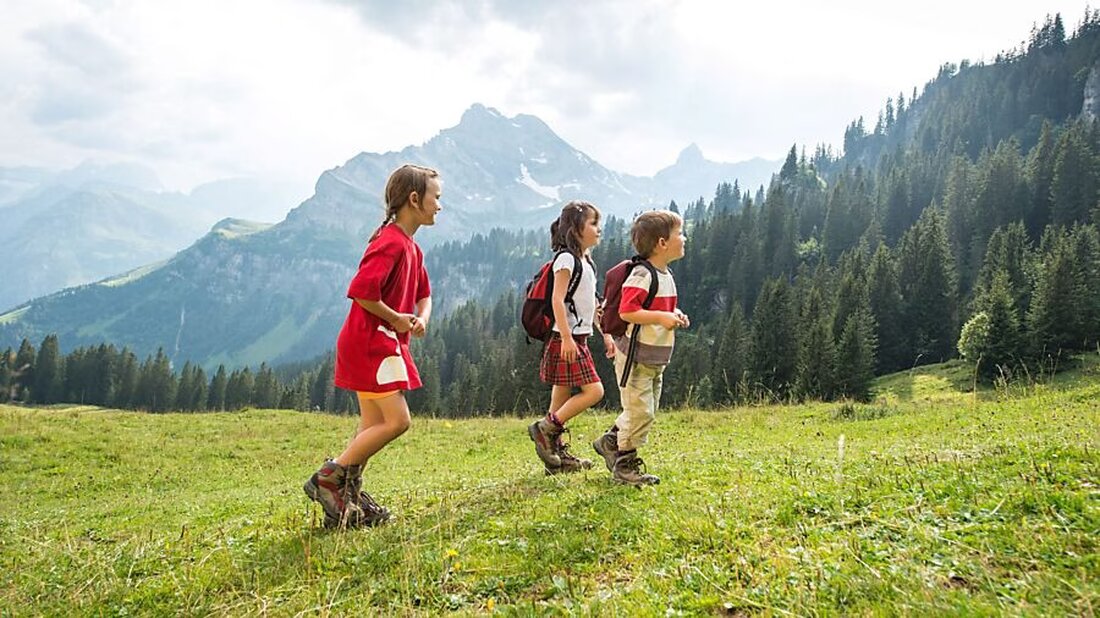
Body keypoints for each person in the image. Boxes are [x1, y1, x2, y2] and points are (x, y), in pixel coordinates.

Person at [303, 164, 442, 528]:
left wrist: (421, 317)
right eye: (436, 197)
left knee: (372, 424)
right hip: (371, 343)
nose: (439, 206)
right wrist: (397, 318)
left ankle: (346, 498)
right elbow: (362, 291)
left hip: (378, 342)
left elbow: (424, 293)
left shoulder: (410, 246)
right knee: (398, 421)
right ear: (415, 199)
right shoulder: (390, 242)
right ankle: (328, 478)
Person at [593, 210, 688, 486]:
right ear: (661, 243)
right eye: (679, 234)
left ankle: (611, 441)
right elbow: (627, 310)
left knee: (644, 408)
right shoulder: (642, 274)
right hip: (635, 357)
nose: (684, 239)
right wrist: (661, 317)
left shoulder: (664, 274)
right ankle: (624, 467)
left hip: (653, 357)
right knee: (640, 411)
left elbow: (657, 307)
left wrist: (675, 314)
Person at [528, 200, 613, 474]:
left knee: (561, 397)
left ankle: (556, 458)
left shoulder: (586, 262)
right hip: (567, 338)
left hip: (577, 337)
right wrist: (565, 337)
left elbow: (592, 306)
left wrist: (607, 336)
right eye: (593, 223)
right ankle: (546, 429)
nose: (599, 229)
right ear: (576, 229)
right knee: (594, 391)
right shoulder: (566, 259)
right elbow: (557, 299)